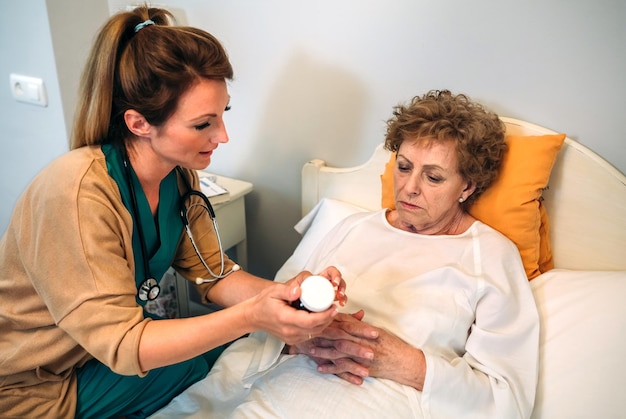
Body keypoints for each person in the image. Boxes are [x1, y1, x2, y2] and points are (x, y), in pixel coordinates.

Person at [0, 6, 346, 419]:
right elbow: (127, 347)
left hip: (100, 357)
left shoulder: (179, 180)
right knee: (228, 348)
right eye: (203, 124)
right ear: (139, 122)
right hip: (38, 387)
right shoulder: (75, 196)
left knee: (245, 347)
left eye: (223, 115)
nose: (222, 136)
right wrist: (253, 317)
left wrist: (289, 295)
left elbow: (213, 273)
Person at [149, 90, 540, 419]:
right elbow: (268, 316)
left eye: (434, 177)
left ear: (468, 186)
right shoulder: (352, 226)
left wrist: (407, 364)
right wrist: (300, 332)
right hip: (279, 390)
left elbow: (507, 398)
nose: (409, 188)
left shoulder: (489, 255)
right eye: (403, 167)